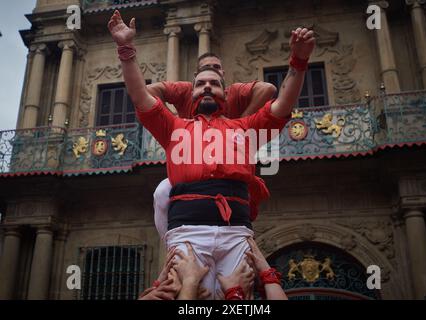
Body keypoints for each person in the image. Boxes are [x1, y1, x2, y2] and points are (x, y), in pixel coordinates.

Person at [108, 9, 315, 299]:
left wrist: (299, 61)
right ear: (191, 93)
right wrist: (125, 49)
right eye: (200, 84)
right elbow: (140, 95)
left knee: (240, 302)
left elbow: (281, 104)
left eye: (214, 83)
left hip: (236, 232)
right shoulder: (173, 127)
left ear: (225, 93)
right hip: (188, 233)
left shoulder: (245, 128)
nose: (207, 86)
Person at [149, 52, 277, 239]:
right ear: (195, 78)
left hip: (231, 165)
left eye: (216, 68)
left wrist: (240, 122)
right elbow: (148, 91)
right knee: (161, 192)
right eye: (204, 70)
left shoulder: (233, 91)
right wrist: (173, 121)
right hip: (191, 168)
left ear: (222, 74)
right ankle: (171, 246)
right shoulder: (186, 90)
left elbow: (268, 89)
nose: (211, 72)